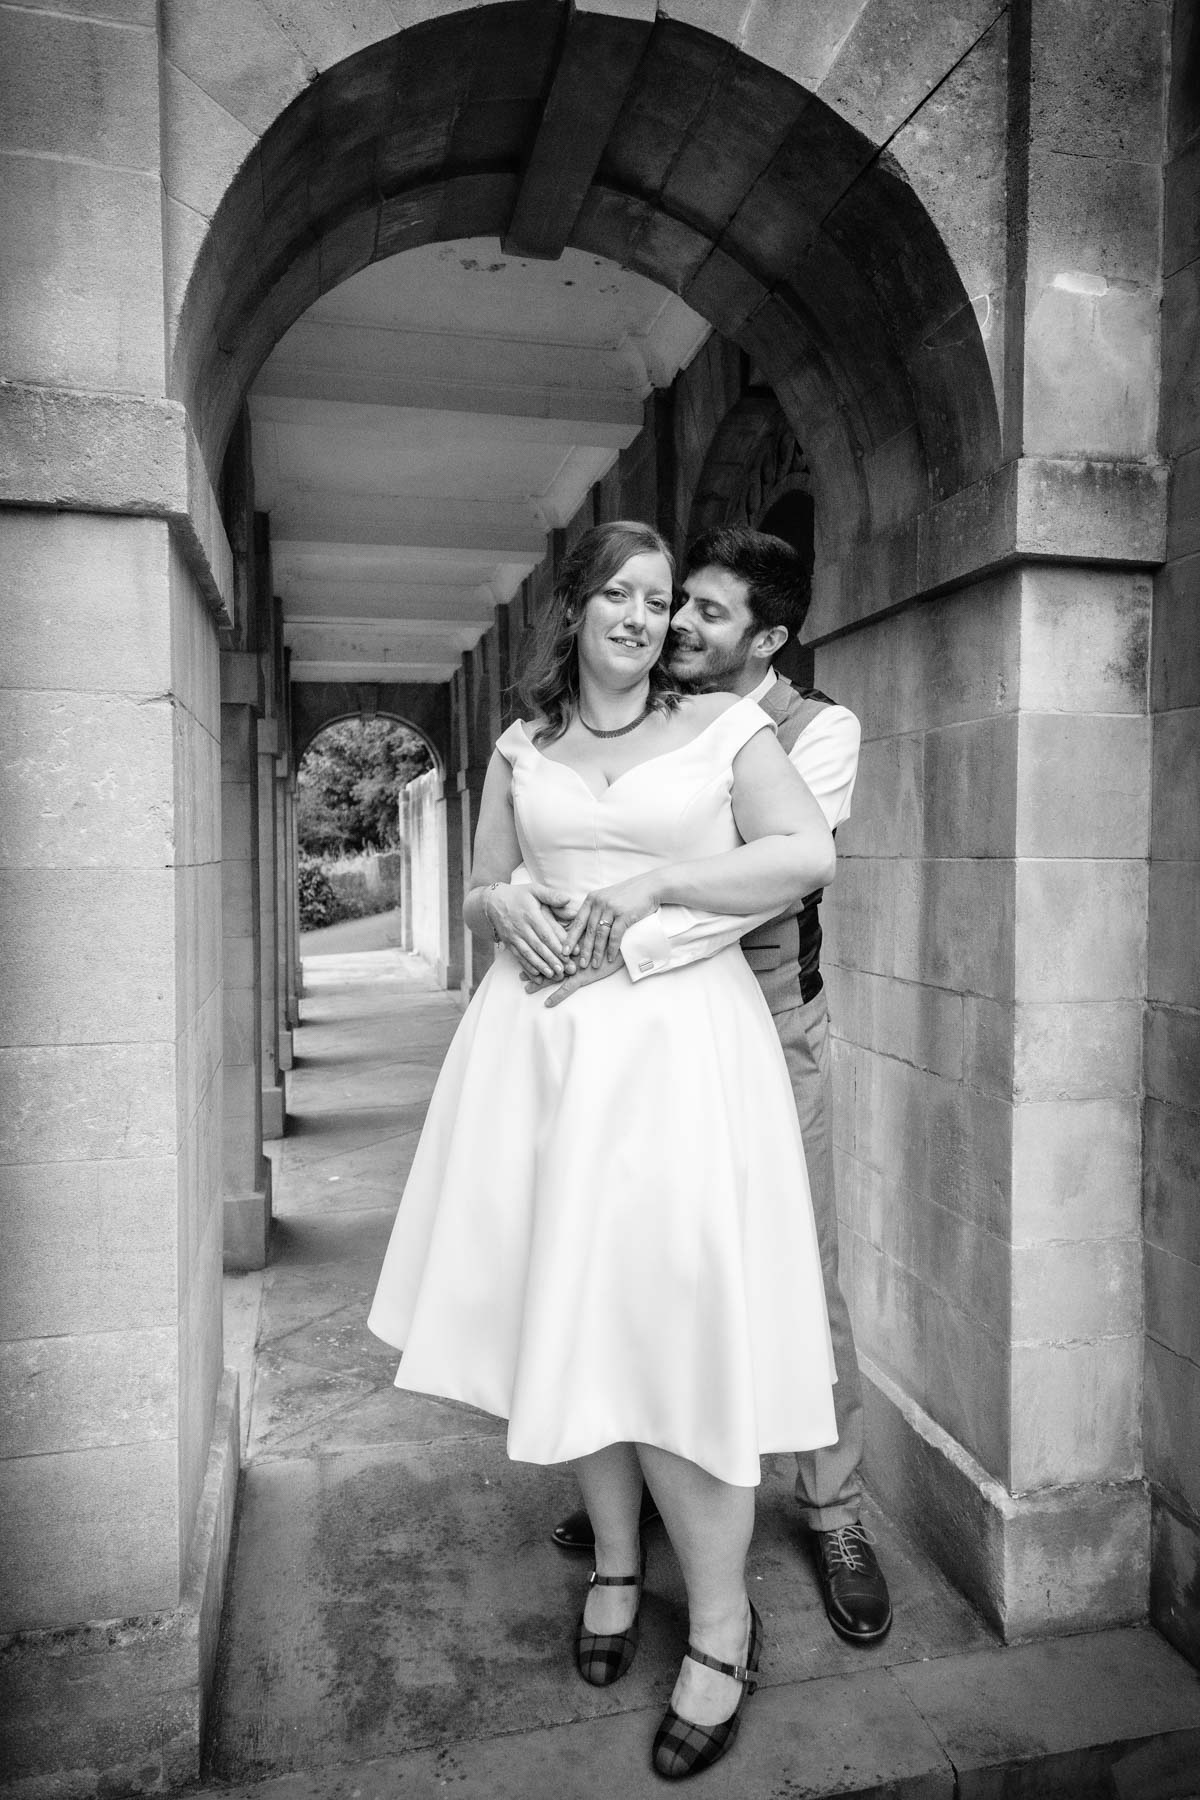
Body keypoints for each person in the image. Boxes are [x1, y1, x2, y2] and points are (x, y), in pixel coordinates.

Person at [368, 520, 839, 1780]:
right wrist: (498, 902)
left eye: (662, 598)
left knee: (677, 1324)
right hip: (544, 1059)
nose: (642, 615)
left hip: (683, 1060)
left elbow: (805, 855)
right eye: (619, 594)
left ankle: (726, 1626)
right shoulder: (522, 746)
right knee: (573, 1313)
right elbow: (480, 891)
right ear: (573, 609)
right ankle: (620, 1567)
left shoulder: (726, 733)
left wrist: (657, 889)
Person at [547, 524, 893, 1647]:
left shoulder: (819, 730)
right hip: (640, 1030)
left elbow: (757, 890)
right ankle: (648, 1480)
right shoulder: (652, 706)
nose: (676, 626)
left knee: (800, 1268)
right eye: (671, 603)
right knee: (644, 1261)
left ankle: (833, 1508)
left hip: (768, 1023)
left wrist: (627, 926)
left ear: (771, 639)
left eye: (705, 613)